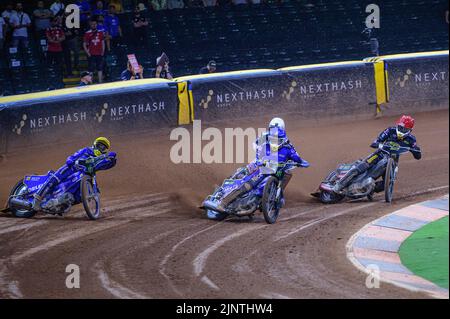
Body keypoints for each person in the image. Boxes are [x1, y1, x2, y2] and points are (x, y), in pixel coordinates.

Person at [216, 117, 310, 211]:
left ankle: (274, 194)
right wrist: (259, 157)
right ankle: (226, 193)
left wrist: (301, 162)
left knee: (287, 173)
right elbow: (256, 145)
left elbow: (295, 155)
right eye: (271, 127)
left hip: (276, 168)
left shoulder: (287, 143)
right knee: (246, 174)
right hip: (261, 163)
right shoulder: (264, 137)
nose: (275, 141)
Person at [333, 115, 422, 193]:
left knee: (388, 182)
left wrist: (415, 150)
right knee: (360, 168)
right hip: (379, 155)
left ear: (410, 130)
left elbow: (418, 156)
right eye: (400, 127)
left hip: (393, 161)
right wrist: (378, 144)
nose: (401, 130)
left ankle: (368, 189)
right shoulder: (390, 130)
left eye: (404, 129)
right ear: (397, 125)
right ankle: (338, 186)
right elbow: (376, 141)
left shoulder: (411, 139)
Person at [32, 137, 117, 210]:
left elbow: (105, 165)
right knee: (55, 179)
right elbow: (73, 156)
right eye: (100, 145)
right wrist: (71, 161)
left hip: (86, 174)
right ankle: (37, 198)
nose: (101, 148)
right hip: (72, 168)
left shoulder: (100, 159)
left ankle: (62, 203)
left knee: (80, 196)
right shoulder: (86, 150)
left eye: (103, 147)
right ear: (95, 144)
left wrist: (112, 160)